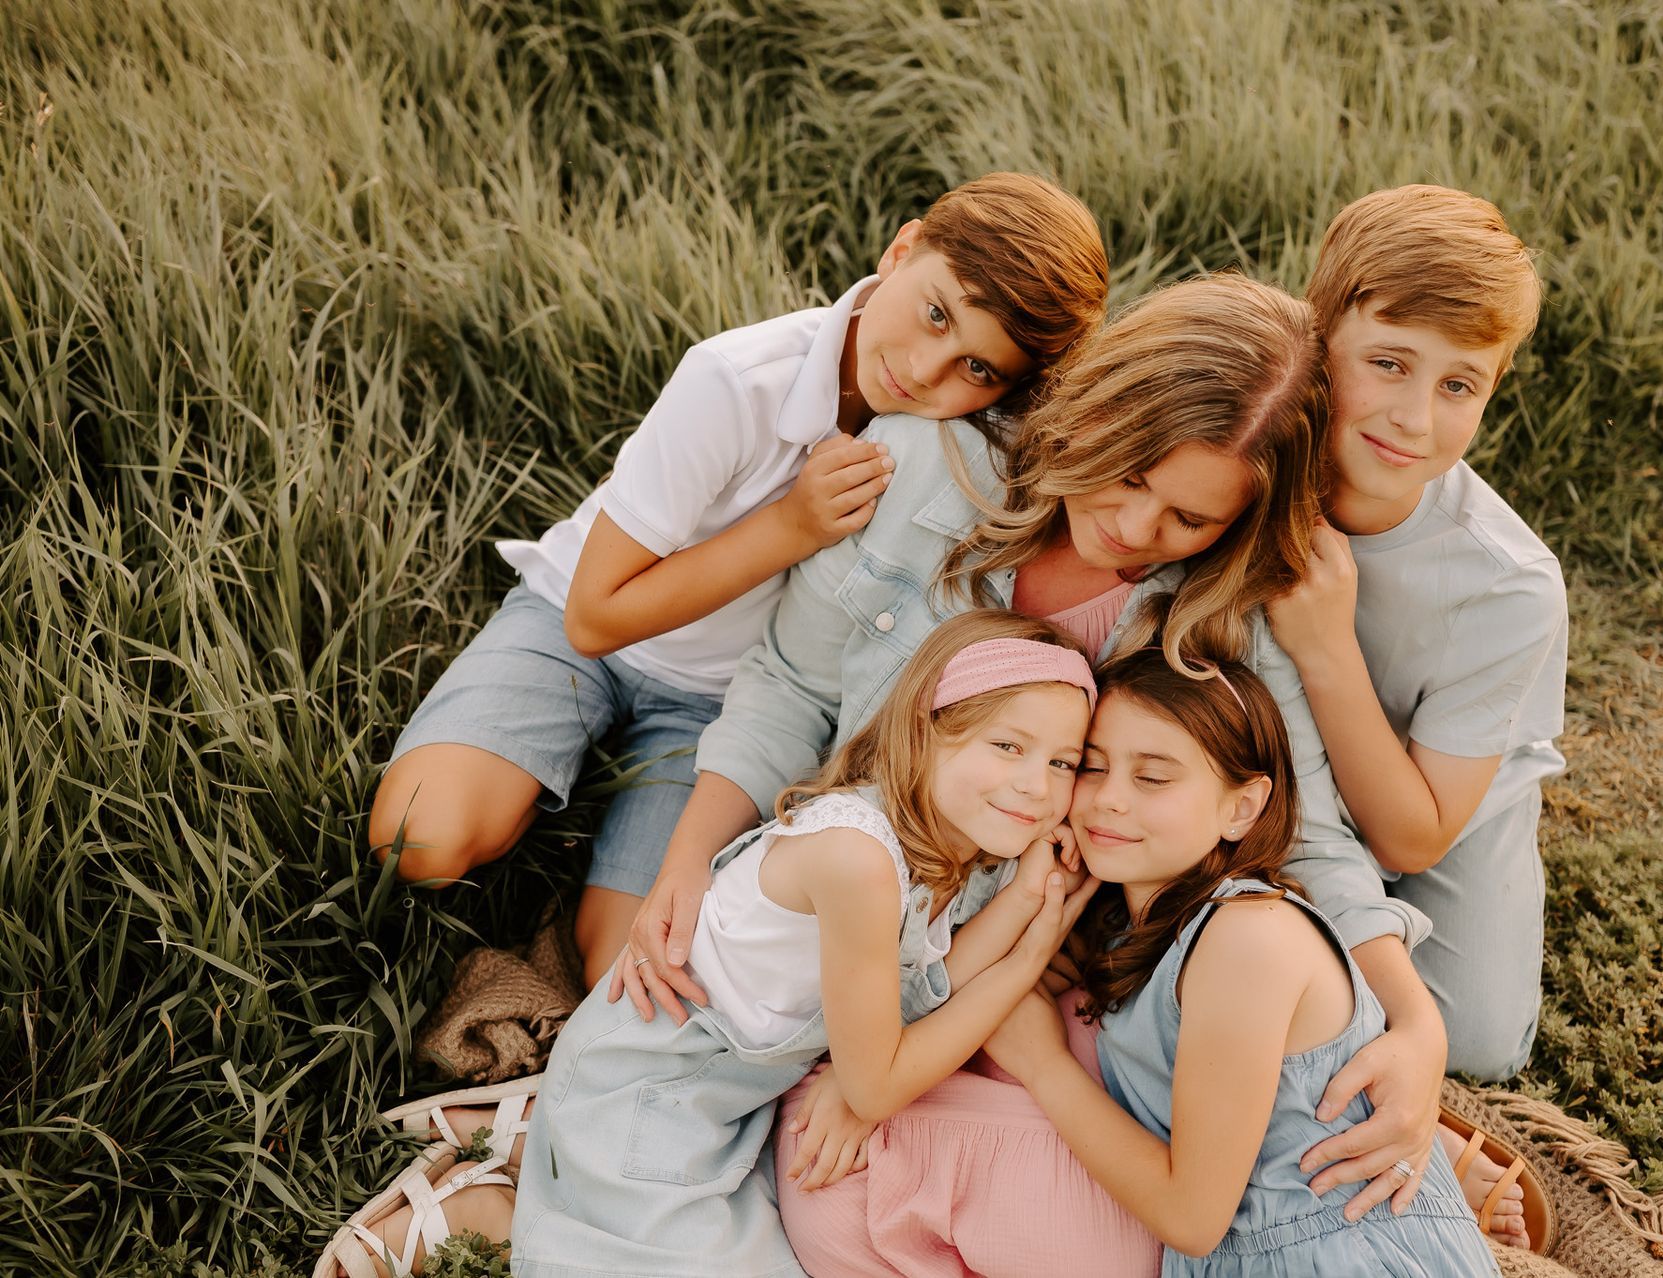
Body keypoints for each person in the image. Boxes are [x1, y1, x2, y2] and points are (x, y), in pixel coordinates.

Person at [614, 274, 1471, 1265]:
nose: (1138, 528)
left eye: (1189, 520)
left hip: (1028, 957)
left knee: (962, 1194)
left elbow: (1305, 830)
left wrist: (1415, 1024)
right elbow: (789, 687)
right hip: (862, 909)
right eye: (1130, 473)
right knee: (696, 1079)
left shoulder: (1222, 613)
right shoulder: (921, 473)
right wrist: (687, 859)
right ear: (1096, 411)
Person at [367, 172, 1108, 979]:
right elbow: (594, 616)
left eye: (977, 367)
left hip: (720, 704)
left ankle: (579, 884)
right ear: (901, 249)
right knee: (420, 839)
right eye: (936, 312)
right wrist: (790, 527)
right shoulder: (736, 377)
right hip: (580, 633)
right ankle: (526, 784)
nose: (929, 371)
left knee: (638, 964)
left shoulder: (954, 451)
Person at [320, 610, 1105, 1277]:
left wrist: (1038, 901)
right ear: (925, 734)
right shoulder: (858, 860)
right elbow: (876, 1085)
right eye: (1008, 747)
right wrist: (1031, 961)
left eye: (1064, 762)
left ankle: (532, 1137)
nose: (1040, 787)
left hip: (716, 1101)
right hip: (650, 1093)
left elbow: (930, 979)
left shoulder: (926, 842)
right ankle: (482, 1208)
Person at [982, 649, 1501, 1276]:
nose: (1109, 799)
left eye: (1153, 777)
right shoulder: (1136, 935)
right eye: (1092, 767)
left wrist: (1043, 1066)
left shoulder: (1246, 937)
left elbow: (1192, 1219)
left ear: (1241, 807)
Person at [1265, 184, 1564, 1087]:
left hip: (1441, 796)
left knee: (1469, 1044)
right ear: (1319, 337)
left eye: (1458, 385)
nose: (1414, 417)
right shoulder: (1252, 454)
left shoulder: (1507, 587)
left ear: (1493, 388)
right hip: (1281, 757)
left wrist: (1325, 647)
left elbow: (1411, 840)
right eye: (1389, 364)